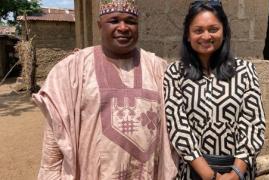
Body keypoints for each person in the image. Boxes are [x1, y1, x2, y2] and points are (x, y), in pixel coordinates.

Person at [32, 0, 177, 179]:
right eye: (114, 20)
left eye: (131, 21)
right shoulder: (72, 69)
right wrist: (50, 173)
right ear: (100, 25)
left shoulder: (158, 68)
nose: (123, 27)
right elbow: (55, 133)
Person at [164, 0, 266, 180]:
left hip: (239, 171)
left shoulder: (245, 70)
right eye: (198, 30)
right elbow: (178, 127)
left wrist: (235, 173)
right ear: (188, 35)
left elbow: (253, 123)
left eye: (213, 29)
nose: (206, 36)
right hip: (193, 171)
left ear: (224, 31)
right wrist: (210, 176)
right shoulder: (175, 73)